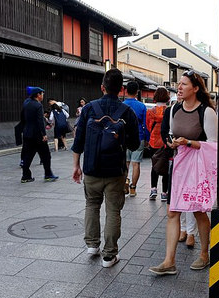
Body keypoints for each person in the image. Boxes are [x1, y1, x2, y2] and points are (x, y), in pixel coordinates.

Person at [149, 70, 217, 275]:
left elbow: (214, 145)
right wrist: (172, 143)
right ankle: (169, 261)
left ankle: (204, 254)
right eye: (179, 84)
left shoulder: (206, 111)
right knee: (172, 212)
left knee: (198, 211)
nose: (179, 87)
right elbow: (167, 135)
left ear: (196, 89)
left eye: (184, 84)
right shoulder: (173, 109)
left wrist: (188, 142)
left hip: (196, 167)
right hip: (177, 165)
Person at [72, 68, 139, 267]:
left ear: (102, 87)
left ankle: (92, 245)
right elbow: (135, 144)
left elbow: (79, 140)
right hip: (115, 171)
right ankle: (109, 255)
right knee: (113, 211)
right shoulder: (127, 112)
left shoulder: (89, 109)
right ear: (121, 90)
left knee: (92, 205)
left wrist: (76, 165)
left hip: (92, 168)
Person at [20, 87, 59, 183]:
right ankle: (48, 174)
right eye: (42, 94)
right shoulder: (38, 105)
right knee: (46, 155)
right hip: (37, 135)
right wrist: (43, 134)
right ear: (38, 95)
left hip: (27, 133)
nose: (42, 96)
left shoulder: (26, 103)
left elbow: (22, 117)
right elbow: (40, 121)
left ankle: (25, 176)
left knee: (28, 156)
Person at [123, 81, 149, 196]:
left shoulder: (122, 105)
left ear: (125, 91)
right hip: (139, 137)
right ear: (137, 92)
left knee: (125, 163)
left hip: (124, 138)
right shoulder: (142, 106)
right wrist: (147, 139)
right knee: (136, 164)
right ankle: (133, 188)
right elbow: (145, 125)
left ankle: (124, 184)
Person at [146, 86, 170, 201]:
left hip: (153, 142)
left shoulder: (150, 112)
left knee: (154, 165)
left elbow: (148, 126)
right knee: (165, 167)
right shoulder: (169, 111)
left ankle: (153, 189)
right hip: (165, 143)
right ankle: (164, 193)